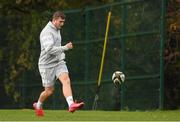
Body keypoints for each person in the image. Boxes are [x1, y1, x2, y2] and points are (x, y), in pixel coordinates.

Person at [33, 11, 84, 117]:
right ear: (54, 20)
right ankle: (38, 105)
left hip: (58, 62)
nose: (62, 24)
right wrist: (65, 48)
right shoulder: (47, 32)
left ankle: (71, 104)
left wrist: (61, 54)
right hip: (46, 65)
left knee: (66, 79)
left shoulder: (57, 29)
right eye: (60, 22)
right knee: (49, 91)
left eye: (63, 22)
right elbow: (49, 50)